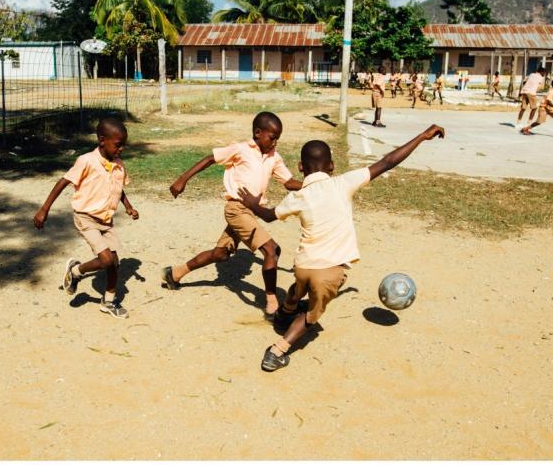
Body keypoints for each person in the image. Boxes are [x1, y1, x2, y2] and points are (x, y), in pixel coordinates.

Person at [237, 124, 446, 371]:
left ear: (301, 168)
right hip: (330, 272)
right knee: (312, 315)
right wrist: (421, 136)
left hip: (303, 266)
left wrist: (252, 203)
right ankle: (278, 351)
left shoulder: (298, 196)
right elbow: (388, 161)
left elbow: (270, 215)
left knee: (299, 287)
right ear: (332, 166)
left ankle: (286, 311)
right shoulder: (343, 182)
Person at [163, 112, 302, 317]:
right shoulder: (241, 150)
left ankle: (175, 273)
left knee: (220, 253)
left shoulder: (274, 157)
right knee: (272, 251)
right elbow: (211, 158)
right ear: (258, 133)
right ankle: (272, 303)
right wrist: (183, 179)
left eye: (278, 138)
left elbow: (289, 182)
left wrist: (315, 183)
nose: (275, 142)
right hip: (236, 210)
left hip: (250, 212)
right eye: (272, 137)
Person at [33, 117, 139, 319]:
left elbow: (118, 189)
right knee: (106, 259)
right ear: (102, 140)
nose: (121, 149)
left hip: (106, 220)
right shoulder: (86, 161)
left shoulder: (118, 164)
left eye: (123, 145)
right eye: (118, 145)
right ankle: (76, 271)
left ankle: (108, 301)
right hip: (86, 217)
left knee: (114, 262)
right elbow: (63, 181)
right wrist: (44, 209)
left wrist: (128, 207)